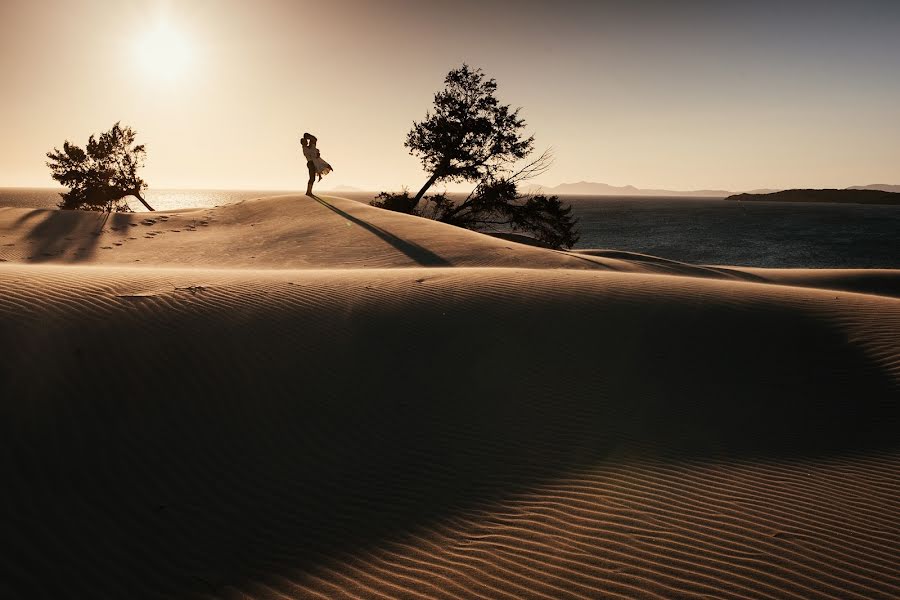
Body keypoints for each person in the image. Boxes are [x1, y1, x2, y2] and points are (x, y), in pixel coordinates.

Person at [301, 132, 333, 196]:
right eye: (305, 141)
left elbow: (314, 140)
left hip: (312, 163)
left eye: (306, 141)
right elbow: (312, 149)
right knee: (312, 178)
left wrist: (308, 137)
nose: (307, 142)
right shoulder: (305, 148)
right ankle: (308, 192)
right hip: (311, 163)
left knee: (312, 178)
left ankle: (309, 192)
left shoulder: (309, 147)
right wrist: (316, 152)